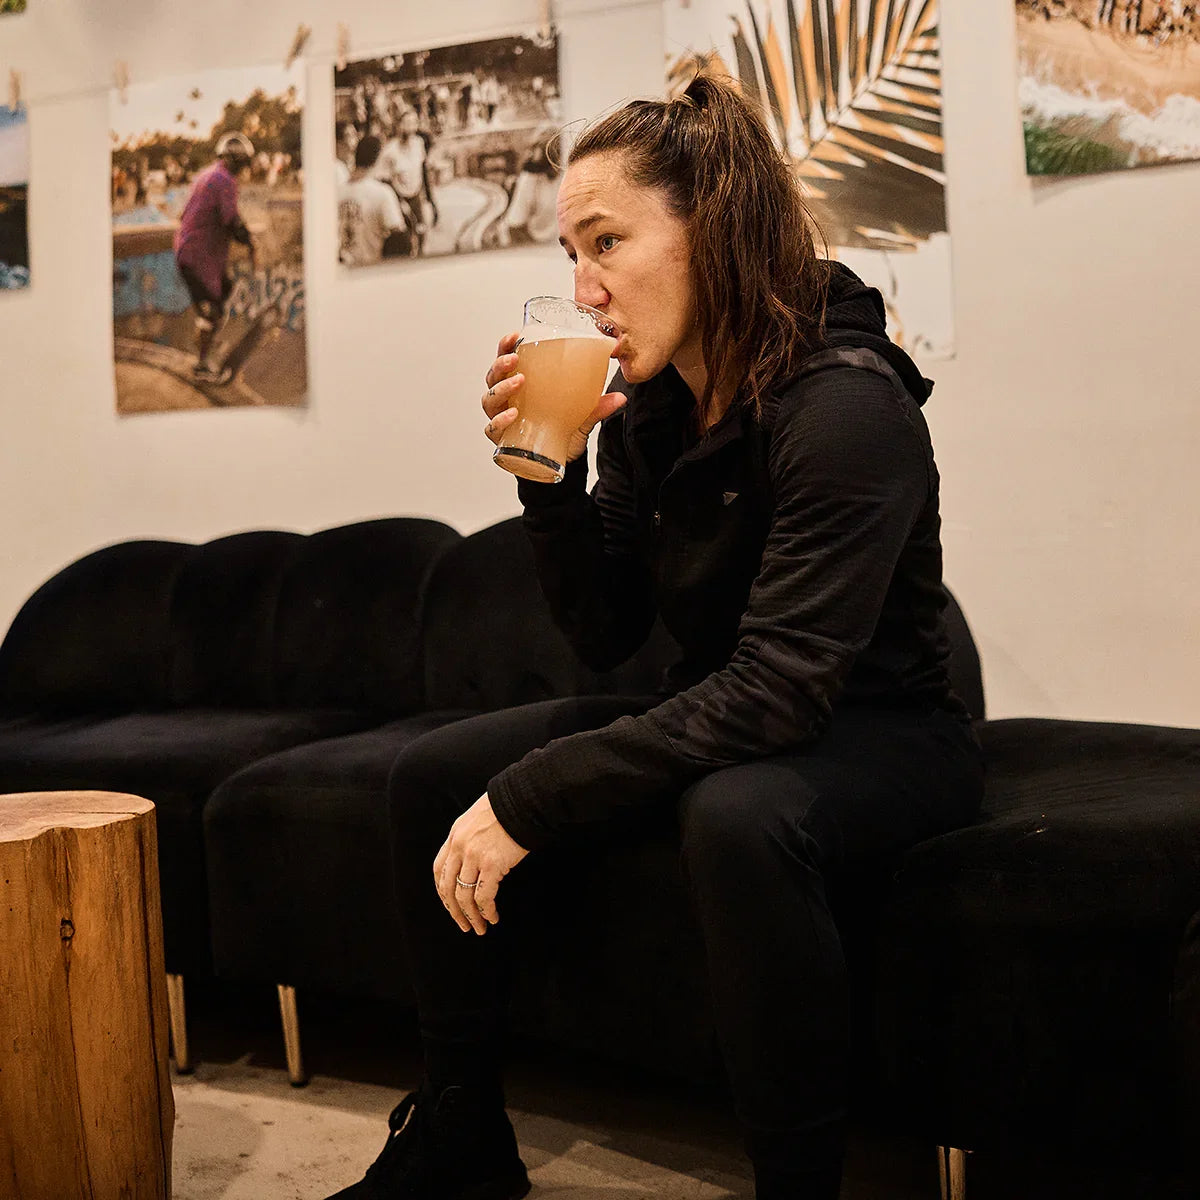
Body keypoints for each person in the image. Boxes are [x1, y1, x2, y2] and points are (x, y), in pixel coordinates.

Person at [326, 73, 983, 1200]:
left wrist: (532, 799)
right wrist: (547, 476)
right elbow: (609, 629)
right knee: (432, 771)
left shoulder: (846, 403)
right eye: (569, 256)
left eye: (606, 244)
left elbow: (783, 692)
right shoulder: (653, 410)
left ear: (711, 228)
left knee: (738, 814)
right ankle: (462, 1135)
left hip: (884, 729)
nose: (583, 292)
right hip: (738, 701)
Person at [173, 130, 257, 385]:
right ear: (238, 162)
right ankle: (201, 363)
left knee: (225, 289)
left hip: (191, 252)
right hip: (197, 258)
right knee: (211, 309)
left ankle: (206, 338)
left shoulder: (207, 175)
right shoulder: (225, 180)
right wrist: (249, 241)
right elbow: (230, 220)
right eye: (242, 165)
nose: (242, 171)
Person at [338, 135, 409, 267]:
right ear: (377, 160)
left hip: (342, 269)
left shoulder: (338, 191)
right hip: (371, 269)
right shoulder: (382, 193)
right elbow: (400, 240)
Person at [375, 109, 437, 256]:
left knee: (422, 231)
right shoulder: (390, 150)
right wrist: (398, 202)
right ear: (399, 125)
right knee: (405, 235)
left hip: (415, 195)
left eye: (413, 123)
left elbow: (423, 171)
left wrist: (430, 200)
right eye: (406, 123)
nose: (410, 127)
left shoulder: (418, 144)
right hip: (398, 197)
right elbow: (383, 179)